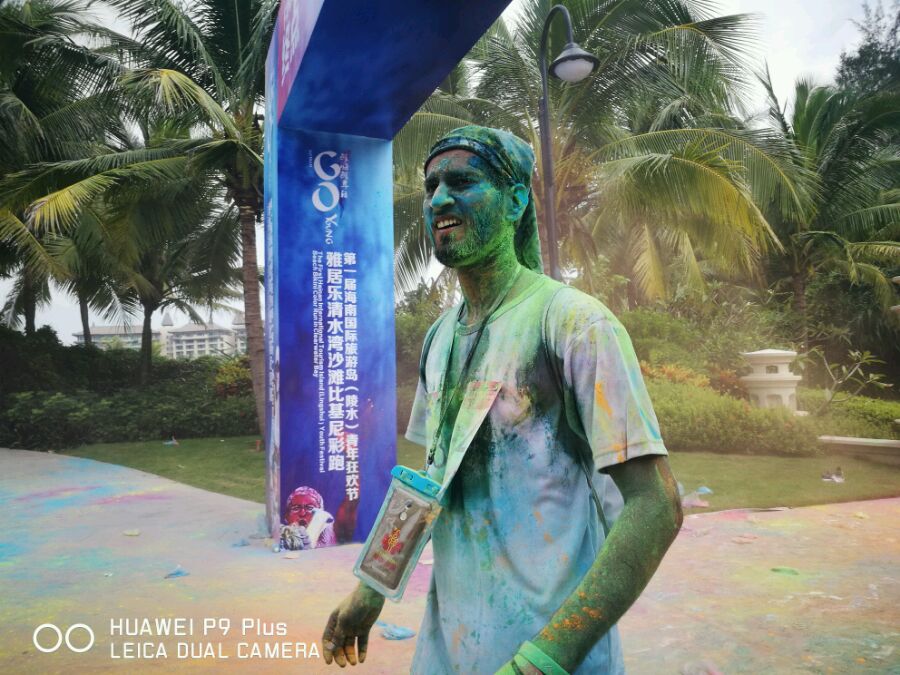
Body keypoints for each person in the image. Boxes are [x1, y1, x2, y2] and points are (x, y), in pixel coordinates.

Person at [322, 126, 682, 674]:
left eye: (462, 182)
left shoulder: (572, 323)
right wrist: (370, 590)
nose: (439, 199)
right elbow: (432, 478)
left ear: (515, 202)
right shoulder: (440, 338)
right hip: (451, 647)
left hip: (548, 652)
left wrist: (547, 658)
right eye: (432, 186)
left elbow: (655, 506)